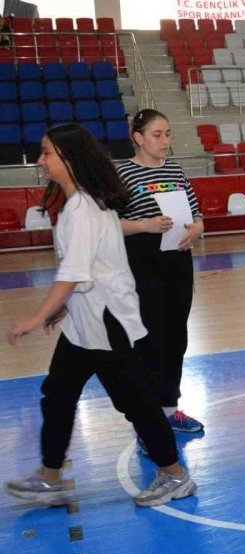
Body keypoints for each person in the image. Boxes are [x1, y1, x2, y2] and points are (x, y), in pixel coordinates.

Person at [5, 123, 196, 508]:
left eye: (47, 153)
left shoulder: (84, 209)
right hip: (84, 322)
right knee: (58, 393)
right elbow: (82, 272)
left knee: (136, 402)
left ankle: (175, 475)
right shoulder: (82, 204)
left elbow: (72, 274)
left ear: (70, 160)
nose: (41, 161)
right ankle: (50, 477)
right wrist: (63, 309)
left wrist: (35, 316)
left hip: (108, 324)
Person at [115, 109, 205, 439]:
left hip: (178, 263)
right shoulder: (121, 174)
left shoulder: (176, 171)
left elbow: (198, 215)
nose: (165, 141)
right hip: (142, 265)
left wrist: (197, 228)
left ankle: (169, 408)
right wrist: (145, 225)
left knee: (175, 338)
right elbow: (107, 223)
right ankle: (147, 419)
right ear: (137, 137)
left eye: (168, 134)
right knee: (149, 341)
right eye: (157, 134)